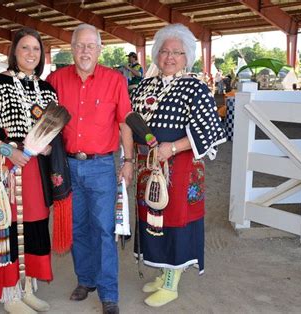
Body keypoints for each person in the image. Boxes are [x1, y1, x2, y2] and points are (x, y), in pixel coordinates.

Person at [0, 27, 71, 314]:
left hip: (36, 171)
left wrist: (45, 147)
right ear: (14, 52)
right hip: (3, 167)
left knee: (33, 225)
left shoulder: (46, 90)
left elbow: (53, 130)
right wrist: (11, 151)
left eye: (36, 49)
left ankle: (27, 287)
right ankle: (9, 293)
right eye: (25, 48)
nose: (31, 54)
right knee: (4, 225)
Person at [128, 24, 227, 308]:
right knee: (152, 217)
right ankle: (162, 273)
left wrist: (171, 148)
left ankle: (172, 283)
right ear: (156, 54)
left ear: (187, 57)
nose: (169, 57)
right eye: (164, 51)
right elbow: (130, 122)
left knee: (176, 220)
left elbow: (210, 130)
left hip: (181, 168)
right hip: (149, 167)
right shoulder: (144, 86)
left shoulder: (195, 86)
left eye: (177, 52)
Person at [47, 24, 133, 314]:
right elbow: (43, 121)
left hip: (101, 167)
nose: (85, 51)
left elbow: (124, 123)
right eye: (80, 46)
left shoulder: (115, 80)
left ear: (99, 49)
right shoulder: (56, 80)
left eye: (90, 46)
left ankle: (109, 294)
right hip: (68, 166)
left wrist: (129, 161)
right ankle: (85, 280)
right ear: (71, 49)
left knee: (104, 230)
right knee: (77, 229)